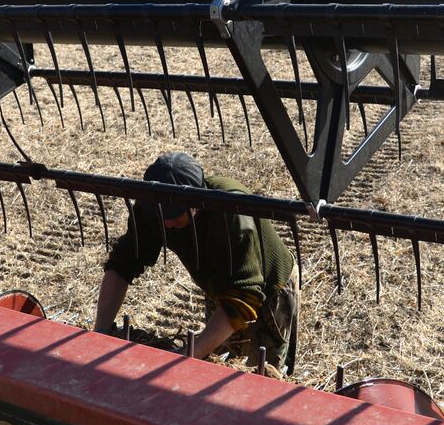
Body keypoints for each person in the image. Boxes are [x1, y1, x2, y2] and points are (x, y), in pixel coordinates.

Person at [93, 152, 299, 366]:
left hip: (268, 287)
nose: (164, 224)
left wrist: (185, 358)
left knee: (256, 373)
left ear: (194, 206)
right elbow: (123, 263)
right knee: (220, 360)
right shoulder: (152, 206)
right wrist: (100, 331)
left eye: (171, 215)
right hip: (220, 283)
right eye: (158, 215)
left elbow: (245, 293)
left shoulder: (231, 211)